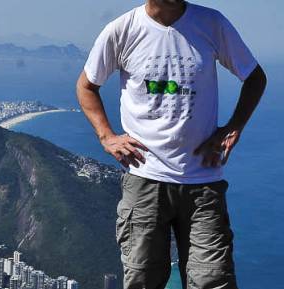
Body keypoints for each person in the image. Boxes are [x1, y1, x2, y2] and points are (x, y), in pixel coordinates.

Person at [75, 0, 267, 288]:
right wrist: (106, 136)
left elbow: (254, 77)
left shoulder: (211, 24)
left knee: (214, 280)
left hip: (203, 180)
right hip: (145, 178)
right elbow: (86, 85)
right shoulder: (122, 30)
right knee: (143, 280)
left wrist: (234, 126)